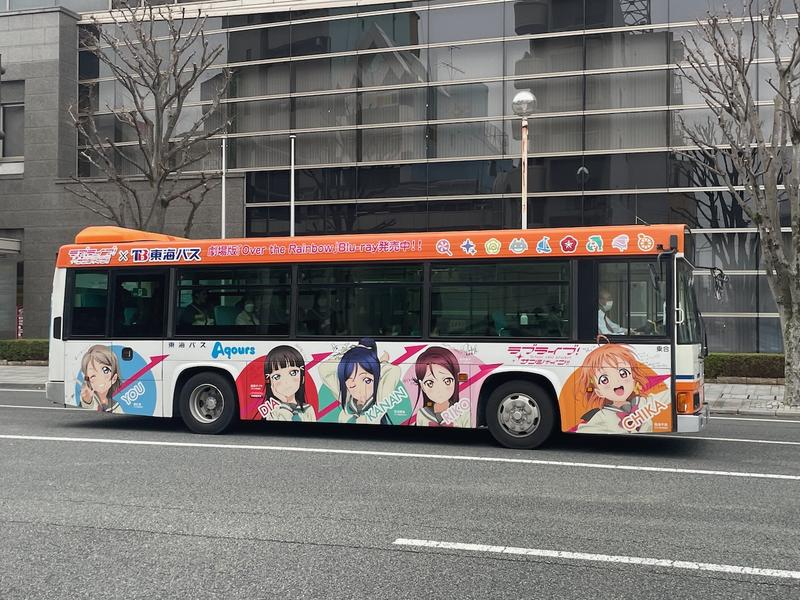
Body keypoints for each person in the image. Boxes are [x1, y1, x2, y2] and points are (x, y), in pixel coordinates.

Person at [568, 344, 670, 434]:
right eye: (604, 380)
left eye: (623, 373)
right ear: (599, 392)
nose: (616, 382)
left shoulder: (644, 402)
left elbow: (669, 395)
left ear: (633, 379)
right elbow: (581, 431)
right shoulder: (602, 416)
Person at [319, 338, 401, 424]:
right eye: (351, 381)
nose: (359, 387)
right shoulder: (347, 397)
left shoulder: (379, 400)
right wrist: (350, 357)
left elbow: (393, 371)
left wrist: (380, 363)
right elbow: (324, 369)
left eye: (367, 380)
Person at [413, 347, 470, 427]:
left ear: (455, 380)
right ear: (422, 385)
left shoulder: (463, 413)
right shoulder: (422, 413)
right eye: (430, 383)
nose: (439, 390)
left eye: (447, 381)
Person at [260, 345, 315, 422]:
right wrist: (285, 403)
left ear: (302, 378)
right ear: (269, 381)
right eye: (277, 376)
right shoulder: (272, 410)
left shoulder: (308, 409)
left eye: (293, 372)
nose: (286, 381)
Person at [79, 344, 122, 413]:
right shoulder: (90, 399)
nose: (100, 378)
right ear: (87, 379)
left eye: (105, 370)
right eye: (93, 375)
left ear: (114, 378)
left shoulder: (115, 405)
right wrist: (87, 400)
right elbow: (87, 407)